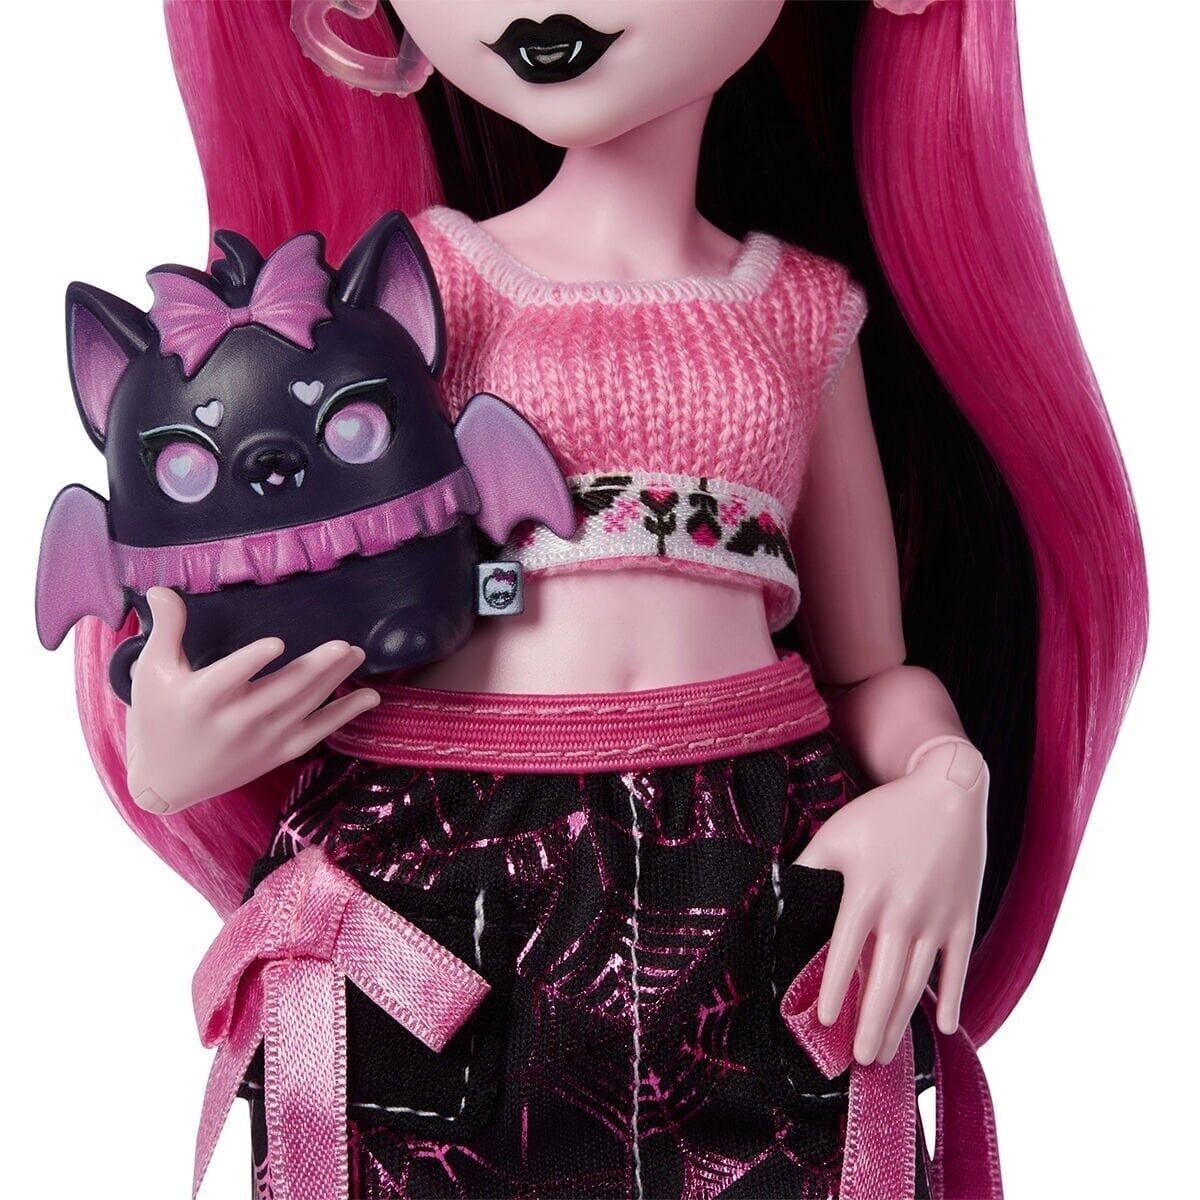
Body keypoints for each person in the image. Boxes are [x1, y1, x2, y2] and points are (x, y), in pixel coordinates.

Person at [72, 2, 1147, 1195]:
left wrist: (947, 780)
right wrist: (164, 748)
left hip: (743, 864)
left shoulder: (801, 312)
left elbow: (866, 672)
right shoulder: (407, 293)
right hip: (438, 874)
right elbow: (263, 559)